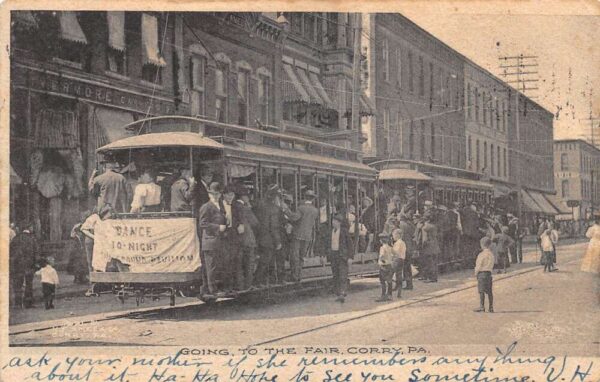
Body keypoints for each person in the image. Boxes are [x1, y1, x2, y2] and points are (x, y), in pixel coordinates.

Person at [198, 182, 227, 299]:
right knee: (211, 267)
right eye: (213, 194)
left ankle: (214, 288)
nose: (215, 196)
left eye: (217, 194)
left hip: (218, 241)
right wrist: (218, 227)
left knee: (216, 266)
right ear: (209, 194)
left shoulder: (220, 205)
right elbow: (203, 223)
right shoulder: (206, 206)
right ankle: (212, 290)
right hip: (210, 241)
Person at [286, 190, 319, 283]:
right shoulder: (315, 210)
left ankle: (294, 276)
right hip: (308, 236)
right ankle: (299, 275)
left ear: (305, 197)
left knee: (294, 255)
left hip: (297, 235)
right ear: (312, 199)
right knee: (301, 256)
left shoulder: (301, 208)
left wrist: (286, 210)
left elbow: (294, 217)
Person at [253, 184, 283, 287]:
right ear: (275, 196)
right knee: (266, 260)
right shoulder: (274, 208)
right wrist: (278, 241)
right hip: (268, 239)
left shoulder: (259, 204)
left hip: (259, 237)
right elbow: (273, 227)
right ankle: (258, 281)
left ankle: (264, 281)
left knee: (263, 260)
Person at [9, 222, 39, 308]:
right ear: (30, 227)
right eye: (32, 227)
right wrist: (36, 263)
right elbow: (36, 252)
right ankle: (28, 303)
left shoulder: (16, 238)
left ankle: (18, 303)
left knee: (18, 284)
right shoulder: (32, 238)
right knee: (29, 284)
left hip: (17, 265)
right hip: (29, 265)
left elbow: (11, 251)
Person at [236, 186, 260, 289]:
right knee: (249, 263)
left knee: (238, 264)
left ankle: (239, 285)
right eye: (248, 196)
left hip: (236, 240)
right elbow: (255, 223)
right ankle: (248, 285)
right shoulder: (245, 208)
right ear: (244, 197)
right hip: (247, 239)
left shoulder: (233, 206)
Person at [221, 184, 242, 293]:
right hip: (223, 236)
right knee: (226, 262)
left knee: (234, 261)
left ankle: (235, 285)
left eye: (232, 195)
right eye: (228, 195)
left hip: (233, 235)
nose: (230, 197)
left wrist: (240, 224)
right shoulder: (219, 206)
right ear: (223, 195)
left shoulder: (236, 206)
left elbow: (239, 219)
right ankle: (227, 286)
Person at [328, 211, 352, 303]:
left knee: (342, 274)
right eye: (333, 221)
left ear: (339, 223)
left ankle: (342, 293)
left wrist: (350, 257)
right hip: (334, 255)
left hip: (342, 255)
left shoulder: (344, 232)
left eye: (335, 221)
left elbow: (350, 245)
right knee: (335, 274)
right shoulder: (331, 232)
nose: (333, 223)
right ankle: (338, 293)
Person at [474, 236, 495, 313]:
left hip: (482, 274)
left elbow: (478, 265)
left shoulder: (481, 255)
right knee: (489, 291)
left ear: (481, 245)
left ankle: (482, 306)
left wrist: (476, 273)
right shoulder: (491, 254)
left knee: (481, 291)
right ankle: (491, 307)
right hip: (489, 274)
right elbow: (492, 264)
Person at [397, 209, 415, 290]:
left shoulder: (401, 225)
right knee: (408, 267)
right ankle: (409, 284)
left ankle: (400, 285)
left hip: (403, 248)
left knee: (401, 267)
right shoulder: (410, 225)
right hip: (409, 247)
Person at [420, 211, 440, 283]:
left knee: (429, 262)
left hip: (428, 247)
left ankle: (430, 277)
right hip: (435, 245)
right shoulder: (434, 226)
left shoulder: (425, 227)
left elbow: (424, 239)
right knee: (434, 262)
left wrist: (422, 246)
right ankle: (434, 277)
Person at [376, 233, 394, 302]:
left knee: (382, 281)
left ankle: (383, 296)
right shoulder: (390, 247)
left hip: (384, 266)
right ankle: (390, 295)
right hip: (389, 265)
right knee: (389, 281)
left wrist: (382, 261)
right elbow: (395, 254)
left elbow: (382, 255)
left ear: (381, 240)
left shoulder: (382, 247)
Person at [391, 228, 406, 298]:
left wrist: (390, 249)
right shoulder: (402, 242)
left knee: (390, 275)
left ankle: (389, 292)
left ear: (398, 235)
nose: (393, 236)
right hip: (402, 260)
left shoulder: (398, 243)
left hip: (396, 260)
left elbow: (395, 253)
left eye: (393, 235)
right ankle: (399, 293)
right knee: (399, 275)